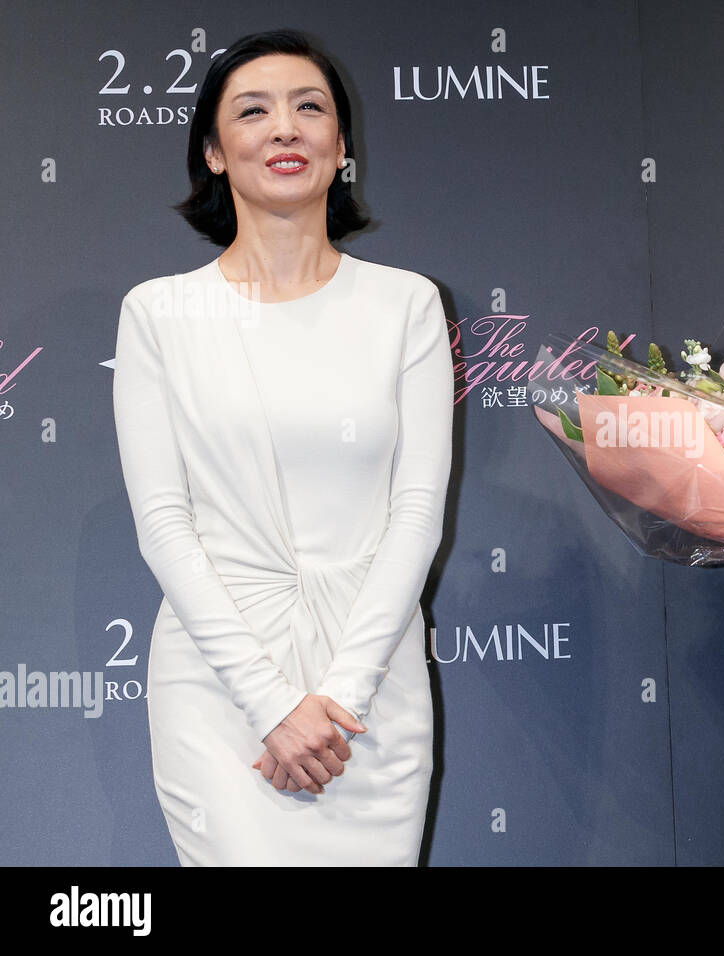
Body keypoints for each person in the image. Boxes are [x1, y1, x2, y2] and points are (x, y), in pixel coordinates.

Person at [113, 30, 453, 865]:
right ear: (214, 154)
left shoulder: (406, 305)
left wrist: (338, 695)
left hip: (369, 688)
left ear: (342, 148)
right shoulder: (159, 314)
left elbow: (416, 513)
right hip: (222, 685)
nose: (285, 129)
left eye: (310, 109)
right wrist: (271, 703)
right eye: (253, 111)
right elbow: (164, 525)